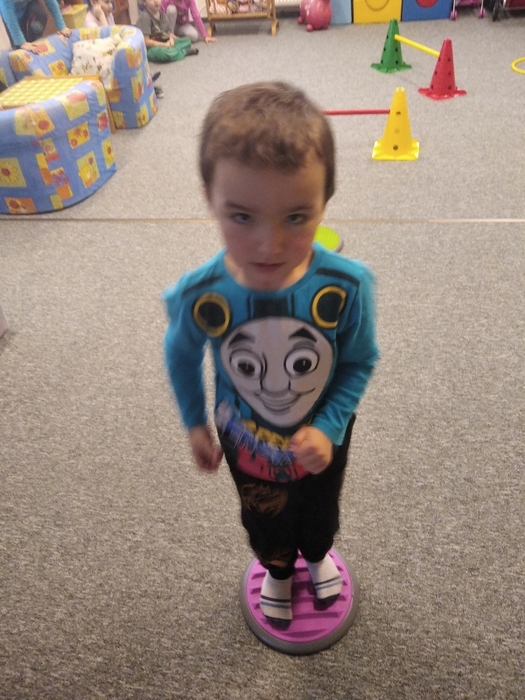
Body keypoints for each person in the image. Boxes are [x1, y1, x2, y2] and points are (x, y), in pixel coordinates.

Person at [163, 82, 379, 627]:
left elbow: (358, 361)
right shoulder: (202, 294)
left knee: (321, 508)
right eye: (242, 217)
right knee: (263, 517)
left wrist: (328, 426)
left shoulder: (346, 286)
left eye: (296, 217)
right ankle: (278, 569)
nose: (270, 245)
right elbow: (181, 352)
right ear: (209, 197)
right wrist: (194, 422)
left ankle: (318, 554)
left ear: (325, 202)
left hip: (322, 437)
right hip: (247, 440)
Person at [0, 0, 72, 52]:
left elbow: (52, 3)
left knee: (39, 14)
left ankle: (32, 43)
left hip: (26, 8)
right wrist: (22, 43)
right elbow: (9, 18)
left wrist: (62, 27)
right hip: (6, 17)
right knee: (17, 45)